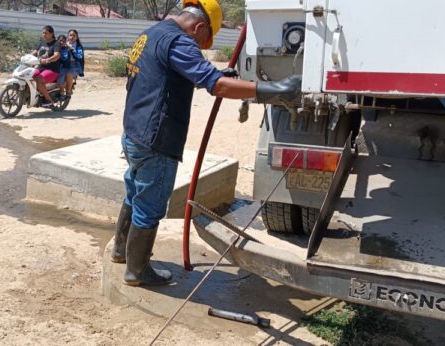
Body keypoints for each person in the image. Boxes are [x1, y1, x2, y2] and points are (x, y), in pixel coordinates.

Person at [111, 0, 302, 286]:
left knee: (134, 193)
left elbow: (166, 71)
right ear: (199, 27)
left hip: (134, 132)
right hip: (157, 138)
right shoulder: (180, 41)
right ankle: (137, 271)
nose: (198, 47)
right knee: (149, 206)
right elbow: (217, 86)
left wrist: (210, 74)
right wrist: (275, 90)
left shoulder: (153, 32)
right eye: (202, 41)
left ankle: (120, 251)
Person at [32, 25, 61, 108]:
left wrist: (47, 60)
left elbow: (57, 55)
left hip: (52, 70)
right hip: (40, 68)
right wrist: (25, 57)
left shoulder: (56, 43)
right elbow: (34, 52)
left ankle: (49, 100)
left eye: (46, 33)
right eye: (43, 33)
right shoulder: (42, 42)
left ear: (52, 34)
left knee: (39, 79)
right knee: (28, 76)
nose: (44, 35)